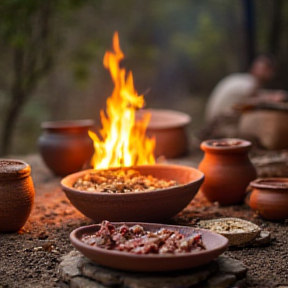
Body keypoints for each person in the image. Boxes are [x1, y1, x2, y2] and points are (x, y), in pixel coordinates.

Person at [204, 54, 285, 123]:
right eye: (267, 70)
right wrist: (271, 97)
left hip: (215, 120)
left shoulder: (243, 79)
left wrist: (271, 95)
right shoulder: (250, 83)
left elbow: (258, 94)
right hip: (219, 124)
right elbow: (254, 99)